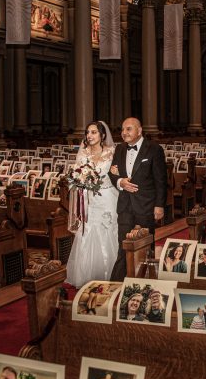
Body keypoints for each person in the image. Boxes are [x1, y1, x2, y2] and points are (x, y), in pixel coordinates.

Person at [109, 117, 167, 281]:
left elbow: (161, 180)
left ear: (139, 131)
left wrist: (159, 205)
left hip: (146, 205)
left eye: (128, 129)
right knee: (123, 246)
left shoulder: (154, 149)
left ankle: (148, 281)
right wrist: (121, 182)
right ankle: (118, 284)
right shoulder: (120, 149)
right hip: (125, 205)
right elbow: (112, 174)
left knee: (146, 246)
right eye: (122, 129)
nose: (124, 133)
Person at [65, 121, 120, 288]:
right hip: (89, 200)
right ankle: (87, 274)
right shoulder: (83, 154)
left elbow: (117, 175)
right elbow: (77, 176)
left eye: (94, 132)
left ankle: (112, 272)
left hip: (108, 198)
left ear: (102, 135)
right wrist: (79, 181)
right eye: (88, 132)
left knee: (108, 230)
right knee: (87, 231)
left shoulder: (112, 153)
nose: (90, 135)